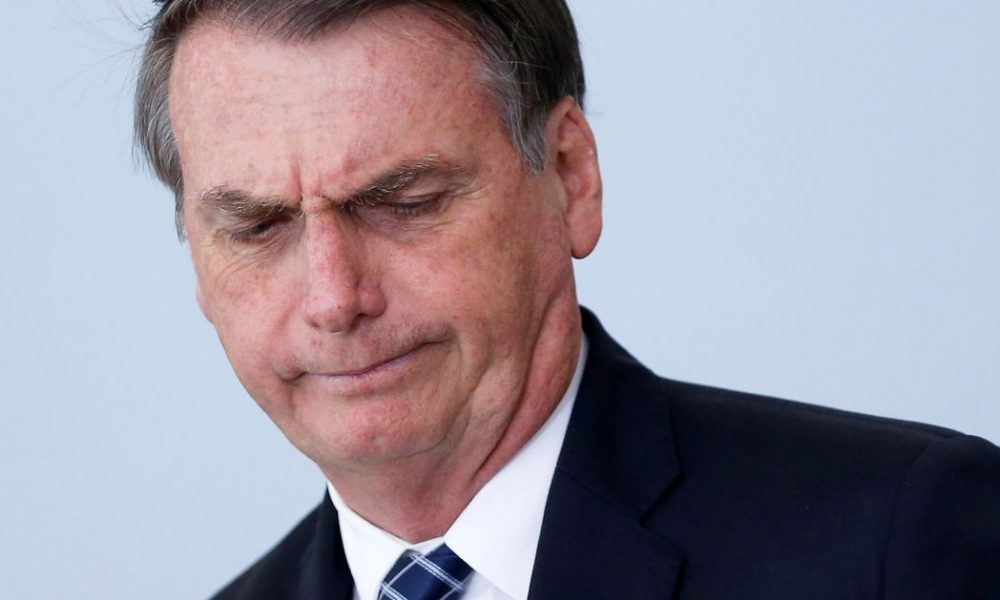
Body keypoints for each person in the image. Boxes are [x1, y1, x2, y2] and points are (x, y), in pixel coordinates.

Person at [134, 1, 1000, 598]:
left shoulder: (899, 545)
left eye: (404, 202)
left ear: (571, 176)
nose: (334, 299)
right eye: (257, 226)